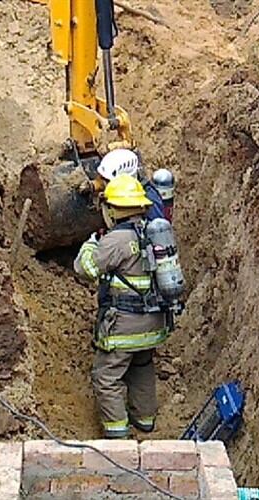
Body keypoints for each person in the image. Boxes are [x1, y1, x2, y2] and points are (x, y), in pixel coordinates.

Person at [73, 174, 170, 438]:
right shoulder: (155, 233)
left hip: (123, 326)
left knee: (107, 377)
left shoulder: (116, 240)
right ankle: (145, 420)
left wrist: (92, 243)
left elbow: (86, 268)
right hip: (153, 324)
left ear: (114, 208)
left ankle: (118, 433)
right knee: (142, 368)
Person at [96, 149, 166, 222]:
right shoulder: (121, 194)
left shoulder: (149, 198)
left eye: (107, 181)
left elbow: (157, 227)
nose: (105, 184)